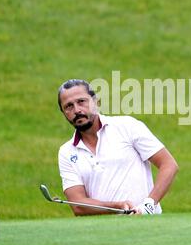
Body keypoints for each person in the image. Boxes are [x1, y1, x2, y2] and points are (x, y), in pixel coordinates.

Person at [57, 79, 179, 216]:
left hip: (146, 225)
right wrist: (116, 206)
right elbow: (78, 205)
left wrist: (149, 204)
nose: (77, 110)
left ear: (96, 102)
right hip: (102, 232)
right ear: (64, 113)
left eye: (81, 101)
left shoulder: (127, 126)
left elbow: (168, 164)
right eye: (68, 106)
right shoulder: (66, 152)